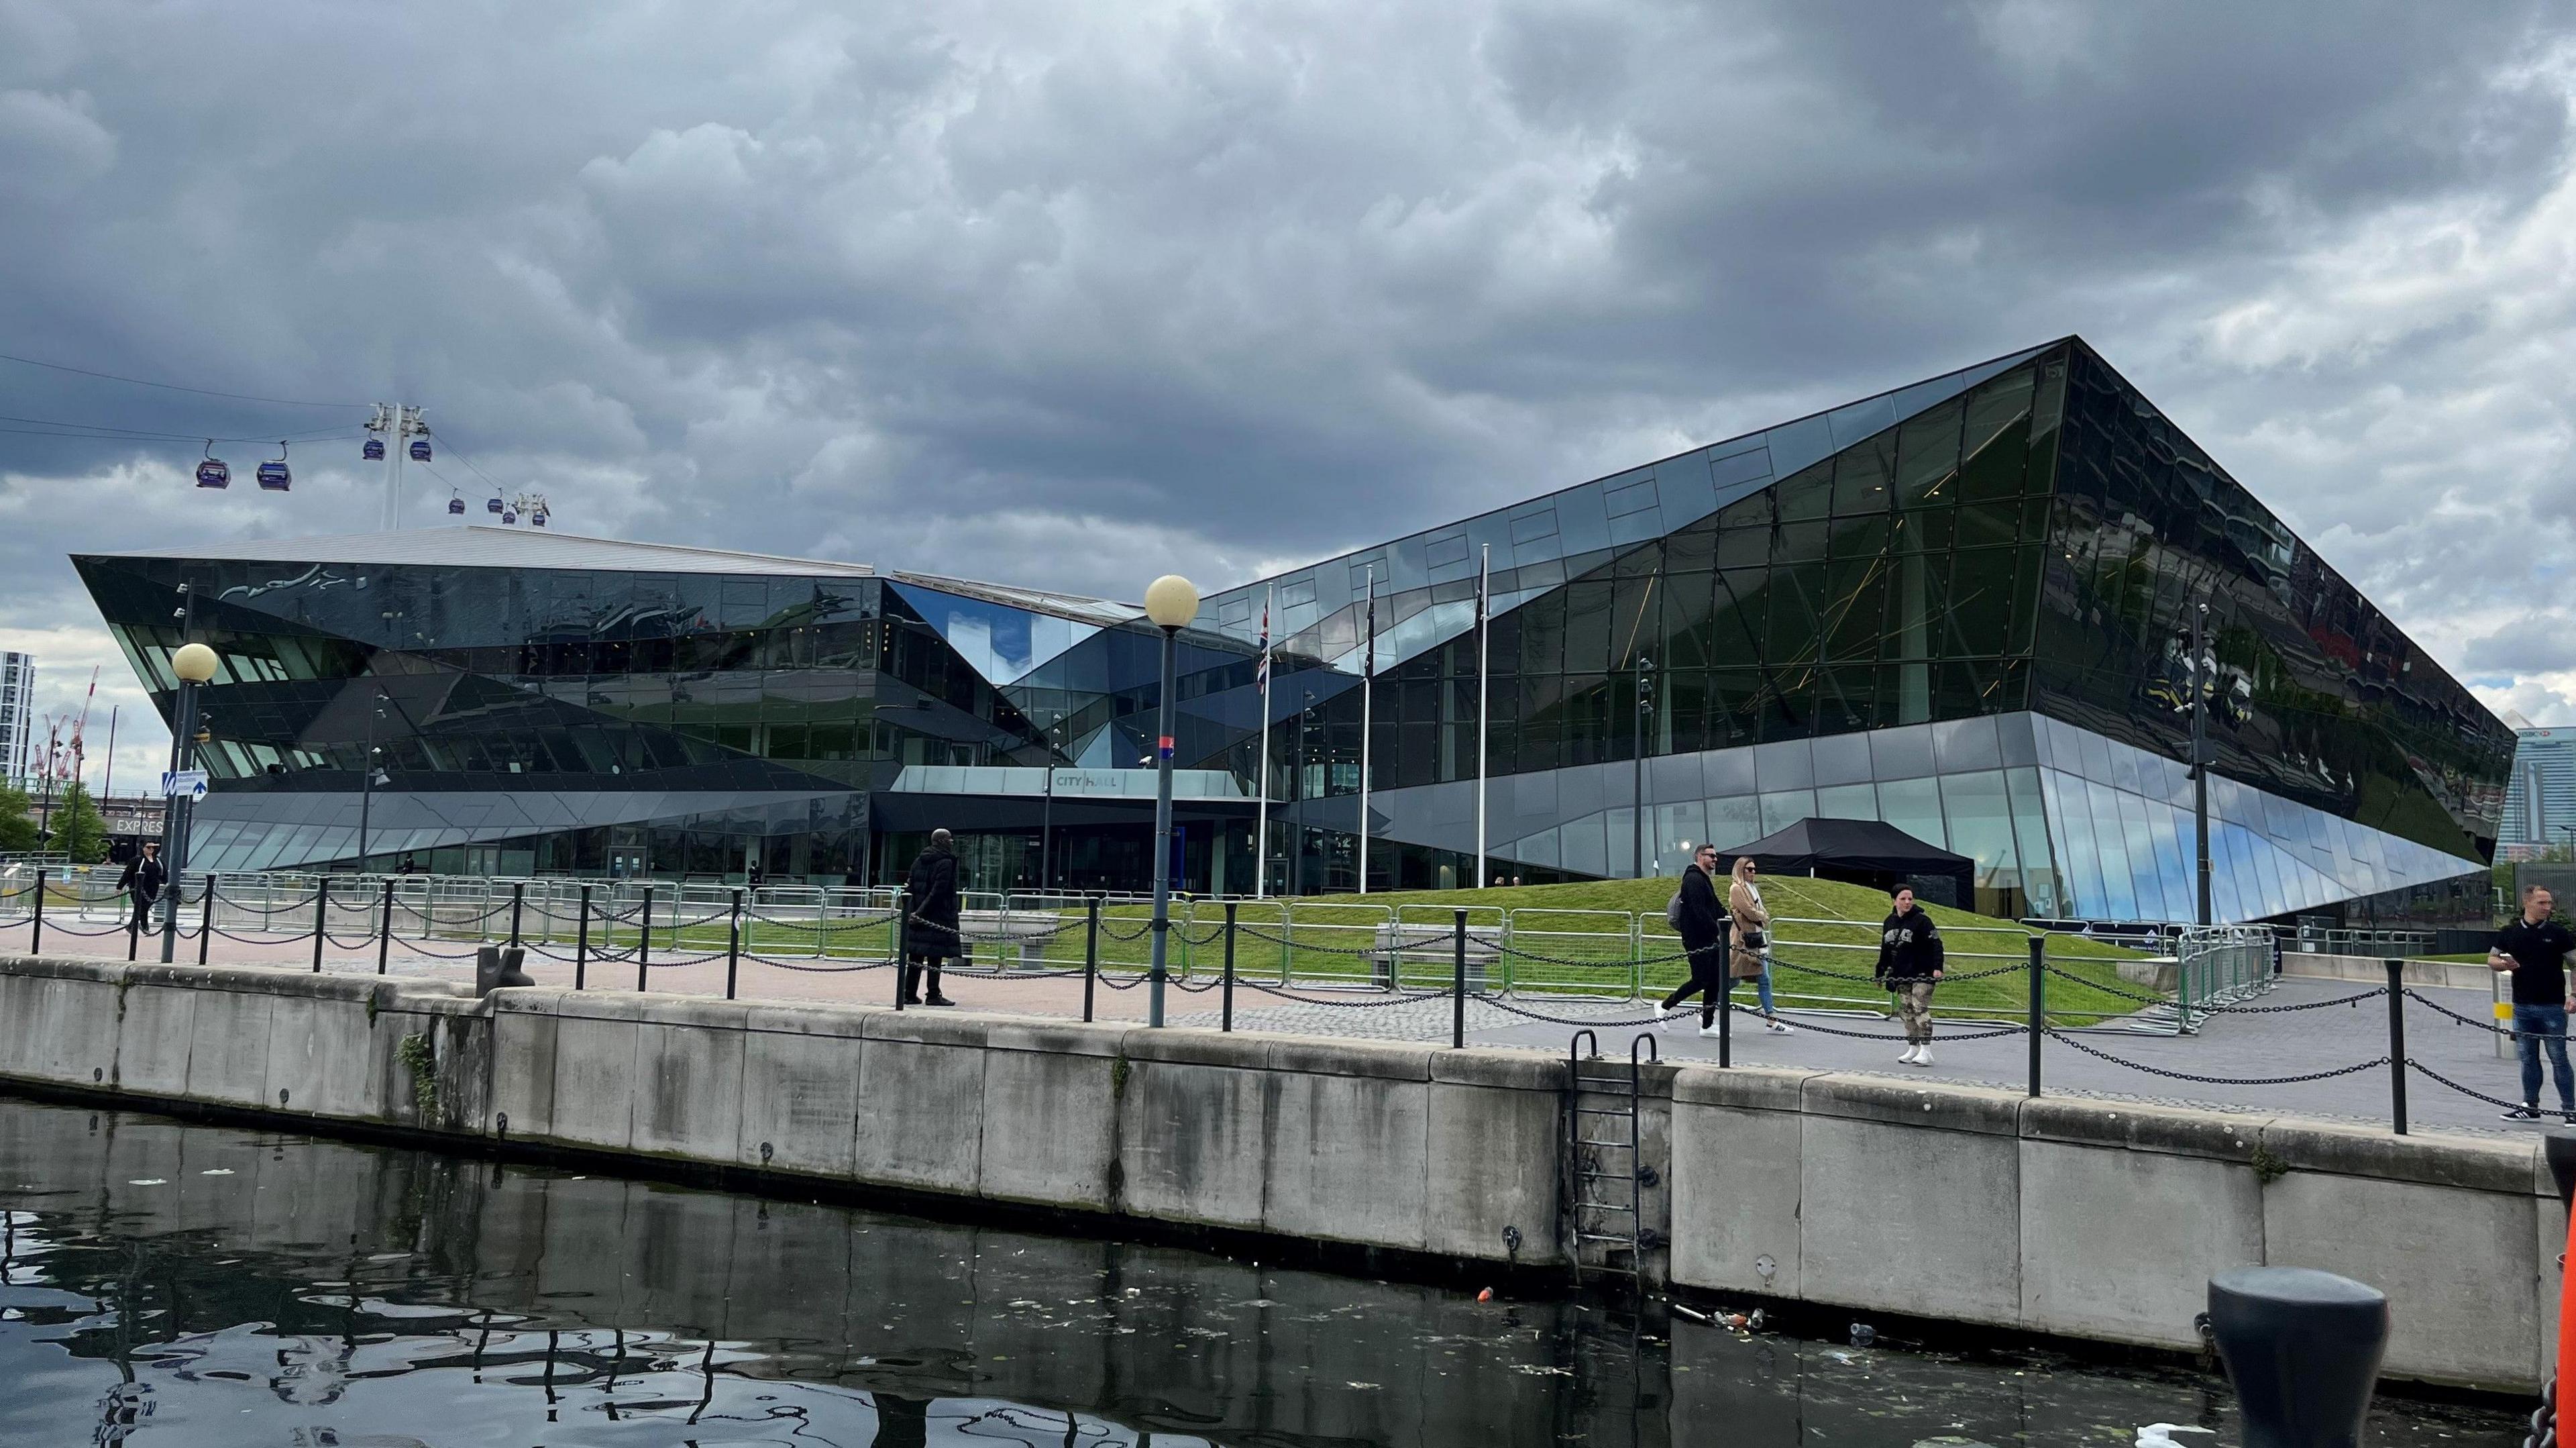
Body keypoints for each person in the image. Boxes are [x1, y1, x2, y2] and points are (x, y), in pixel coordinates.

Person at [2489, 884, 2575, 1121]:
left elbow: (2574, 964)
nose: (2548, 907)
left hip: (2553, 1006)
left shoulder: (2559, 934)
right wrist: (2504, 964)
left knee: (2559, 1057)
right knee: (2528, 1058)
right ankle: (2530, 1106)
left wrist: (2574, 994)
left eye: (2549, 903)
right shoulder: (2510, 933)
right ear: (2527, 903)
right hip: (2523, 1005)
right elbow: (2492, 958)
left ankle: (2570, 1110)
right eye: (2542, 903)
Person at [1657, 844, 1731, 1035]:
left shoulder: (1703, 879)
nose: (1715, 859)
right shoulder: (1693, 879)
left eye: (1716, 856)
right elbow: (1700, 912)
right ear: (1700, 857)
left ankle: (1707, 1024)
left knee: (1715, 979)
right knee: (1701, 979)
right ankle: (1664, 1006)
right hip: (1697, 938)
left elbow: (1713, 906)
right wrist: (1717, 931)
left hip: (1709, 937)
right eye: (1711, 856)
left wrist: (1726, 917)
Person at [1874, 886, 1945, 1066]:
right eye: (1903, 899)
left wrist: (1937, 967)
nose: (1907, 902)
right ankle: (1913, 1047)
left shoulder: (1923, 921)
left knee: (1919, 1006)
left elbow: (1936, 943)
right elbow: (1886, 949)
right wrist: (1880, 972)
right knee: (1906, 1011)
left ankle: (1926, 1050)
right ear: (1894, 901)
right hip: (1901, 973)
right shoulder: (1889, 922)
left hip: (1923, 972)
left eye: (1910, 899)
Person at [1727, 857, 1792, 1034]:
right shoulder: (1737, 889)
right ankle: (1708, 1007)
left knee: (1764, 979)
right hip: (1744, 942)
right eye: (1749, 869)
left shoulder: (1752, 888)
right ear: (1741, 870)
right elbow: (1750, 912)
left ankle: (1771, 1020)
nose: (1753, 872)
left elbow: (1760, 911)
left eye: (1754, 869)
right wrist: (1761, 915)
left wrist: (1761, 915)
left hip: (1757, 939)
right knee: (1733, 980)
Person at [902, 829, 961, 1006]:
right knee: (935, 956)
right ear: (942, 841)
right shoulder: (945, 863)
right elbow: (938, 893)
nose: (952, 842)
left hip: (917, 917)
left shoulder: (919, 860)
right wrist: (920, 914)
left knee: (916, 956)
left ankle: (909, 993)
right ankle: (933, 994)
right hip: (936, 917)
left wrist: (913, 913)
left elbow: (910, 888)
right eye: (949, 839)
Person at [116, 841, 167, 937]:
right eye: (148, 847)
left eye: (153, 848)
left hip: (152, 888)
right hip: (137, 888)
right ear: (143, 848)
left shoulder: (158, 861)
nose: (151, 849)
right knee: (140, 907)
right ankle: (144, 927)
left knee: (145, 908)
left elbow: (163, 872)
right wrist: (120, 887)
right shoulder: (136, 860)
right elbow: (127, 873)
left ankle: (133, 926)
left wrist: (164, 881)